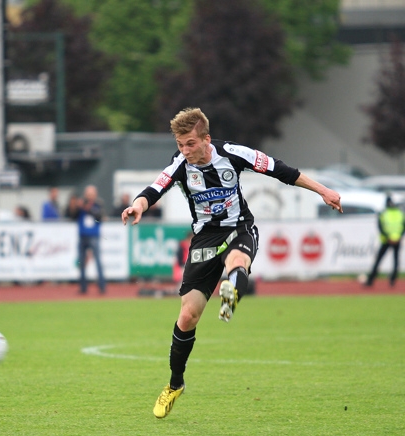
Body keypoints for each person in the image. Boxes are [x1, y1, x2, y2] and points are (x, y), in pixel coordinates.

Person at [121, 107, 342, 419]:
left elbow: (282, 170)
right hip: (204, 240)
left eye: (191, 144)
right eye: (181, 144)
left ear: (206, 139)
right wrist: (136, 206)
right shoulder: (180, 164)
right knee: (187, 316)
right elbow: (153, 190)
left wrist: (324, 191)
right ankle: (175, 384)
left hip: (239, 228)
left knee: (237, 261)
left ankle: (231, 290)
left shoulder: (233, 154)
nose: (185, 150)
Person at [365, 196, 405, 287]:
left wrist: (388, 237)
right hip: (396, 240)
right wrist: (399, 237)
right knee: (395, 261)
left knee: (379, 260)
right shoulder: (400, 213)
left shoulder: (384, 213)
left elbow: (381, 227)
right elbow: (403, 227)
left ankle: (371, 280)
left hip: (386, 240)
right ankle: (392, 281)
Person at [77, 185, 106, 294]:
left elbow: (99, 216)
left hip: (94, 235)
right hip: (82, 235)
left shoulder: (98, 204)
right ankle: (83, 287)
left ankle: (102, 286)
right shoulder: (81, 204)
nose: (89, 196)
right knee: (82, 262)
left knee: (98, 261)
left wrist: (87, 208)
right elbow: (72, 214)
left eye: (91, 194)